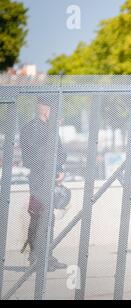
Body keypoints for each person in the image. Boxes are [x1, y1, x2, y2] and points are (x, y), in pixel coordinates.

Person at [19, 96, 67, 271]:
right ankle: (36, 257)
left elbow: (60, 152)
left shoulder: (51, 128)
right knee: (38, 215)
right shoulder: (30, 129)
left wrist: (58, 168)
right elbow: (32, 158)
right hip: (39, 179)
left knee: (49, 217)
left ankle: (47, 256)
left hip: (50, 178)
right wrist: (52, 165)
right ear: (45, 110)